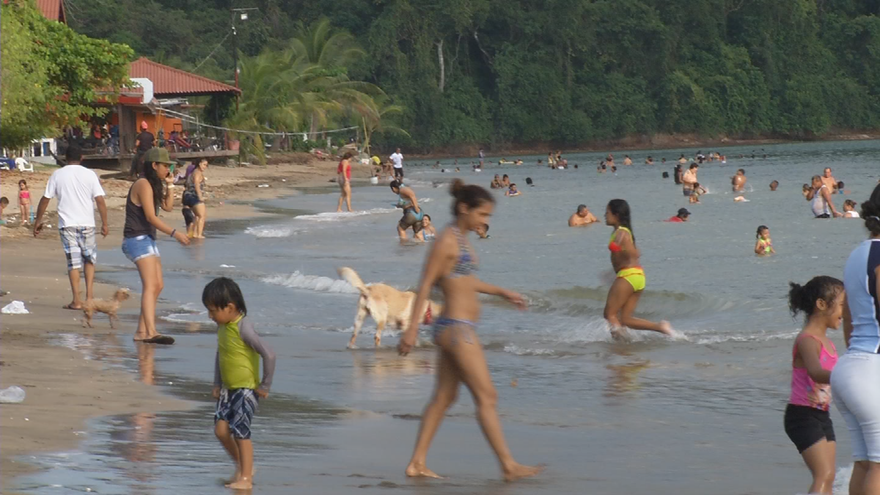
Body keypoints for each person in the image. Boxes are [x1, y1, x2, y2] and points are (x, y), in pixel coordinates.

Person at [397, 179, 542, 481]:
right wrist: (411, 329)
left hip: (454, 328)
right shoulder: (446, 242)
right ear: (464, 209)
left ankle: (416, 463)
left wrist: (501, 291)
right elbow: (425, 283)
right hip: (457, 329)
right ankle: (508, 465)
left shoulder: (460, 238)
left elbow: (464, 282)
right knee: (487, 396)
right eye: (483, 215)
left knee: (444, 398)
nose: (485, 221)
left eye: (488, 216)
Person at [204, 277, 276, 490]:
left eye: (213, 311)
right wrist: (217, 382)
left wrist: (265, 386)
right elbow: (221, 354)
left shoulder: (243, 328)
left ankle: (246, 477)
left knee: (241, 432)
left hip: (246, 389)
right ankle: (243, 466)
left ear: (230, 307)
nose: (210, 316)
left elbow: (269, 354)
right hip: (227, 388)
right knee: (220, 430)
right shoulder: (223, 327)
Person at [833, 185, 880, 495]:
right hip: (871, 369)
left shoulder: (858, 253)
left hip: (850, 368)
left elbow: (848, 319)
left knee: (864, 463)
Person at [122, 147, 190, 343]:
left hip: (147, 239)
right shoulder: (143, 184)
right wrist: (175, 233)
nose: (169, 168)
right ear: (154, 165)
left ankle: (141, 331)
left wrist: (170, 185)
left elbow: (168, 207)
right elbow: (151, 217)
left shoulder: (153, 184)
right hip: (136, 239)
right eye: (166, 165)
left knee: (158, 285)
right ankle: (150, 332)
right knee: (150, 285)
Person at [785, 276, 843, 495]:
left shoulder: (827, 341)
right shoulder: (808, 339)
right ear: (821, 304)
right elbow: (816, 373)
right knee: (823, 475)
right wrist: (846, 375)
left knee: (830, 476)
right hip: (801, 416)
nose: (844, 313)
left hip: (821, 415)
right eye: (841, 306)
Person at [33, 144, 109, 310]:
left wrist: (38, 221)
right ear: (82, 157)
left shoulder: (57, 174)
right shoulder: (90, 174)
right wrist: (105, 223)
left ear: (65, 158)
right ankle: (89, 298)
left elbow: (46, 198)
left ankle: (76, 300)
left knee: (73, 262)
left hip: (67, 224)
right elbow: (100, 200)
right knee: (89, 259)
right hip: (87, 223)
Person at [604, 199, 674, 340]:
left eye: (607, 212)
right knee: (625, 319)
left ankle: (621, 345)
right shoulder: (624, 232)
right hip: (638, 277)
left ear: (616, 214)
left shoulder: (621, 232)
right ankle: (660, 327)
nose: (605, 215)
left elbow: (635, 253)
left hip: (628, 276)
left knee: (609, 315)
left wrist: (622, 252)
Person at [183, 159, 209, 238]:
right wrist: (200, 197)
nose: (205, 167)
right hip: (193, 196)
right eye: (204, 164)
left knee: (196, 216)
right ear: (200, 164)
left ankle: (193, 233)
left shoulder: (194, 172)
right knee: (202, 216)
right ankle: (199, 234)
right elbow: (196, 185)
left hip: (186, 196)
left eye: (206, 165)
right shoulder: (197, 173)